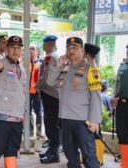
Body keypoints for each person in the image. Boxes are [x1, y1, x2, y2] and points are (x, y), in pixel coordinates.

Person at [47, 37, 102, 168]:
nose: (71, 51)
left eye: (75, 48)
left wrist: (95, 120)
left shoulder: (91, 70)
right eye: (69, 48)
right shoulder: (64, 68)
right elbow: (49, 82)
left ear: (82, 50)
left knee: (89, 156)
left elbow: (96, 96)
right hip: (65, 119)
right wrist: (58, 65)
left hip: (83, 120)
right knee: (70, 154)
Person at [0, 36, 27, 168]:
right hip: (0, 116)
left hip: (17, 117)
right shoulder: (0, 62)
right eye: (12, 48)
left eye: (18, 48)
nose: (16, 51)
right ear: (7, 48)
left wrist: (23, 114)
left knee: (12, 149)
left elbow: (22, 94)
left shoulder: (22, 69)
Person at [35, 35, 61, 164]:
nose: (43, 46)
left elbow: (46, 77)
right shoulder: (57, 56)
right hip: (54, 95)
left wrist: (37, 86)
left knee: (51, 125)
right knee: (52, 124)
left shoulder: (51, 57)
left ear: (48, 45)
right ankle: (52, 150)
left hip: (51, 95)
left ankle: (54, 153)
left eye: (44, 44)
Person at [84, 43, 106, 166]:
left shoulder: (93, 69)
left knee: (96, 134)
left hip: (92, 108)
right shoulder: (86, 67)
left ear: (87, 55)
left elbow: (95, 94)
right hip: (86, 107)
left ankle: (99, 159)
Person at [112, 44, 128, 168]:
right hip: (122, 105)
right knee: (122, 134)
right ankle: (125, 163)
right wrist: (114, 96)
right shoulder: (122, 66)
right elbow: (117, 83)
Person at [29, 43, 44, 139]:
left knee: (38, 111)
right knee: (27, 111)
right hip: (27, 91)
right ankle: (29, 130)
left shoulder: (41, 63)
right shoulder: (25, 61)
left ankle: (38, 131)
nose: (31, 51)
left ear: (37, 51)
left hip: (36, 91)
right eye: (30, 49)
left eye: (33, 49)